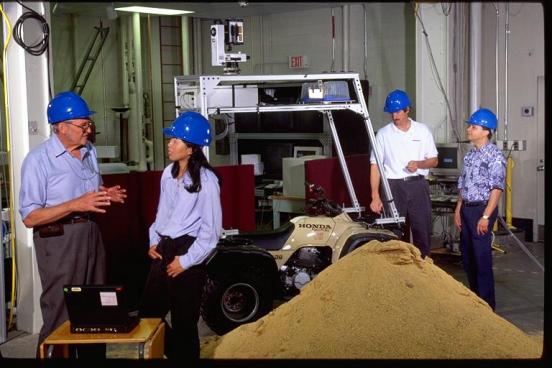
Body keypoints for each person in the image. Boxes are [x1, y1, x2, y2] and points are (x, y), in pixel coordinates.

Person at [19, 91, 127, 357]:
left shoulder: (89, 151)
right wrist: (74, 205)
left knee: (97, 308)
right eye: (83, 125)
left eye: (89, 125)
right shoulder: (38, 161)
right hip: (58, 241)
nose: (89, 131)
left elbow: (91, 189)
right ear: (61, 127)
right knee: (61, 310)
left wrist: (105, 193)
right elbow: (30, 217)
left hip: (91, 233)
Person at [139, 111, 222, 362]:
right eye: (171, 139)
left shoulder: (207, 181)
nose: (169, 143)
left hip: (188, 251)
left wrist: (185, 261)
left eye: (176, 140)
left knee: (185, 323)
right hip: (164, 247)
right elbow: (162, 214)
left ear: (192, 149)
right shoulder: (168, 173)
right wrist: (153, 239)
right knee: (148, 317)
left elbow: (212, 232)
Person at [369, 89, 438, 258]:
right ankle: (394, 271)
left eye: (398, 112)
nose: (395, 116)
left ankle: (424, 268)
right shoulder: (383, 134)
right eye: (392, 112)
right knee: (393, 232)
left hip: (418, 185)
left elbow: (434, 160)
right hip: (393, 186)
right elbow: (375, 165)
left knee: (422, 228)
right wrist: (375, 196)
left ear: (408, 110)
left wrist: (419, 164)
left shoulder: (422, 131)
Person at [454, 108, 506, 311]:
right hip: (467, 208)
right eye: (469, 126)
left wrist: (485, 216)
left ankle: (486, 305)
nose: (468, 129)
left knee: (481, 257)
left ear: (486, 131)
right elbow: (463, 184)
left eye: (473, 127)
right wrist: (458, 208)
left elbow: (496, 189)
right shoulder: (470, 156)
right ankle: (475, 299)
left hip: (482, 210)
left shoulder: (495, 156)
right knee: (467, 256)